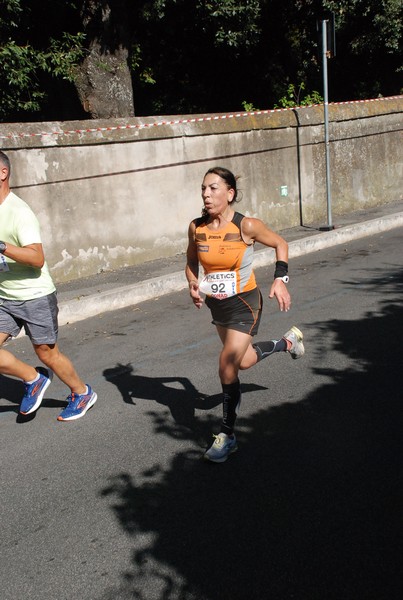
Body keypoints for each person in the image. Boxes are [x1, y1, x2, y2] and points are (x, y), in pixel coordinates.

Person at [185, 166, 304, 462]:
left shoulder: (246, 226)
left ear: (230, 193)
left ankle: (227, 435)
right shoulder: (196, 227)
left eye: (213, 188)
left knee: (227, 362)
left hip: (245, 303)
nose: (206, 194)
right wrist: (192, 284)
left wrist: (280, 279)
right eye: (203, 188)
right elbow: (190, 262)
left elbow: (281, 244)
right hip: (218, 304)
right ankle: (287, 343)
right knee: (244, 361)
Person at [0, 150, 97, 421]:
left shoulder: (19, 212)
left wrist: (2, 246)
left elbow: (36, 258)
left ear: (3, 173)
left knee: (47, 353)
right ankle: (33, 380)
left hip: (34, 295)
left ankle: (82, 392)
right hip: (5, 297)